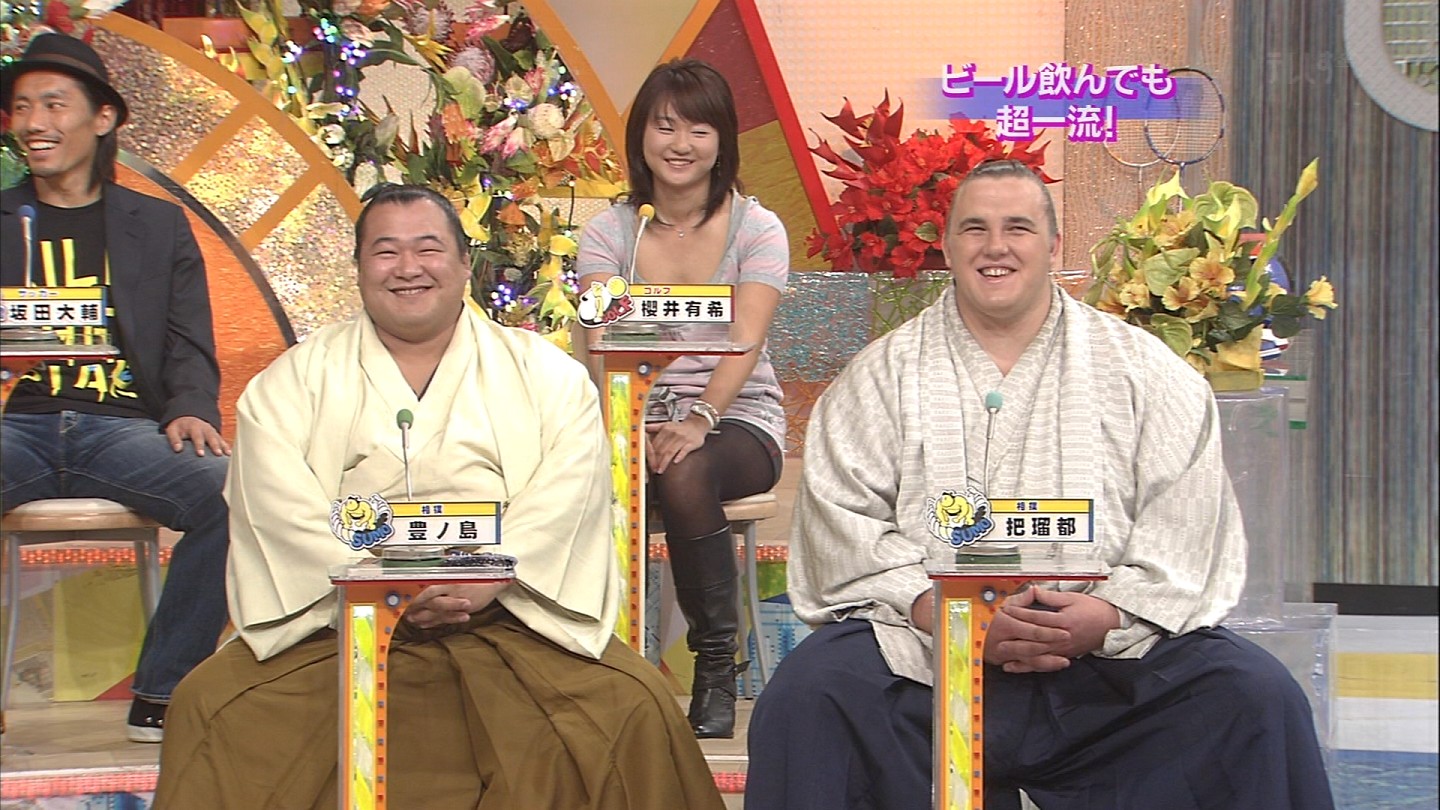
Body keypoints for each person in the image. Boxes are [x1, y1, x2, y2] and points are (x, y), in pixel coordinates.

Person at [745, 160, 1335, 809]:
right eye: (975, 229)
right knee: (808, 696)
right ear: (947, 247)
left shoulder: (1147, 372)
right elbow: (845, 530)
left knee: (1256, 696)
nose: (995, 247)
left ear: (1053, 245)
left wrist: (1106, 616)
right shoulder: (878, 376)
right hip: (926, 654)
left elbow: (1187, 526)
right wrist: (950, 616)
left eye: (1018, 228)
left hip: (1106, 661)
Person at [153, 184, 726, 809]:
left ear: (462, 264)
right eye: (386, 252)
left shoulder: (545, 374)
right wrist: (378, 585)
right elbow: (276, 504)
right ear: (358, 267)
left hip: (507, 612)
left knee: (635, 707)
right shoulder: (293, 380)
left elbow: (568, 491)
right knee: (208, 706)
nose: (408, 268)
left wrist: (487, 575)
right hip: (340, 620)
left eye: (427, 249)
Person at [0, 33, 230, 743]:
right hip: (15, 425)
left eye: (53, 104)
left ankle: (161, 692)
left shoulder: (157, 224)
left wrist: (191, 407)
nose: (34, 122)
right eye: (21, 107)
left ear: (102, 118)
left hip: (122, 429)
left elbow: (188, 337)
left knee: (235, 491)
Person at [575, 58, 789, 739]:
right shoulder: (610, 233)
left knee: (685, 466)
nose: (681, 144)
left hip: (736, 419)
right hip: (632, 417)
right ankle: (593, 666)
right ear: (641, 133)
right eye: (665, 126)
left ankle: (716, 667)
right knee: (580, 475)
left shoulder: (757, 228)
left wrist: (699, 417)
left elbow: (746, 339)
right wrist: (631, 425)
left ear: (722, 141)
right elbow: (598, 340)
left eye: (699, 129)